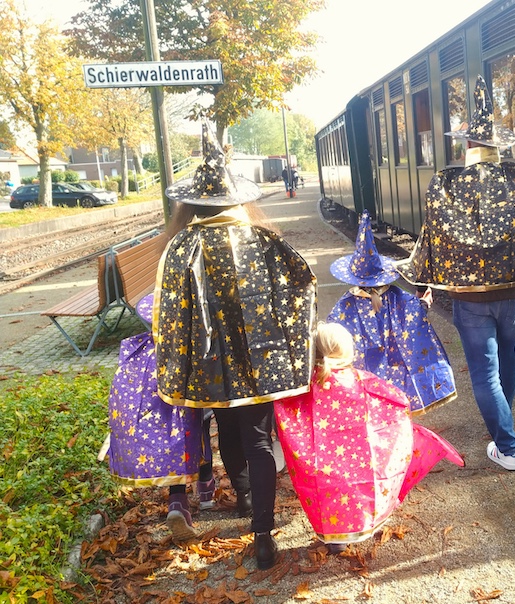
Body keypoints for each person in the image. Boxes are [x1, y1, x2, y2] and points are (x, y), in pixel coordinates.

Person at [153, 120, 317, 569]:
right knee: (260, 439)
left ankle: (244, 499)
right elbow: (301, 290)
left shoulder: (181, 246)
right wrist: (296, 350)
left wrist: (172, 364)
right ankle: (263, 534)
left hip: (210, 366)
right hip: (262, 363)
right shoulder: (264, 241)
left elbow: (168, 316)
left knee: (226, 431)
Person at [398, 75, 515, 472]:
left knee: (484, 374)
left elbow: (432, 233)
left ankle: (507, 446)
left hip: (470, 300)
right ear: (498, 146)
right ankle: (502, 426)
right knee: (509, 357)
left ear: (467, 144)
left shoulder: (446, 183)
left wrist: (421, 279)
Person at [273, 322, 463, 551]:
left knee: (332, 490)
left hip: (325, 468)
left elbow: (287, 414)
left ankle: (336, 537)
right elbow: (397, 400)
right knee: (360, 486)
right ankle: (359, 526)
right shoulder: (363, 381)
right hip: (361, 462)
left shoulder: (306, 388)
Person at [105, 293, 216, 542]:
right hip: (191, 401)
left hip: (160, 408)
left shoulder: (142, 350)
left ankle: (178, 501)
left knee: (173, 440)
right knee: (200, 430)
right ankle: (206, 489)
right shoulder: (188, 347)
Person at [328, 209, 456, 415]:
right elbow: (414, 319)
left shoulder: (344, 308)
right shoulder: (400, 298)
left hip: (364, 387)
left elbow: (332, 341)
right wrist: (423, 304)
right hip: (397, 383)